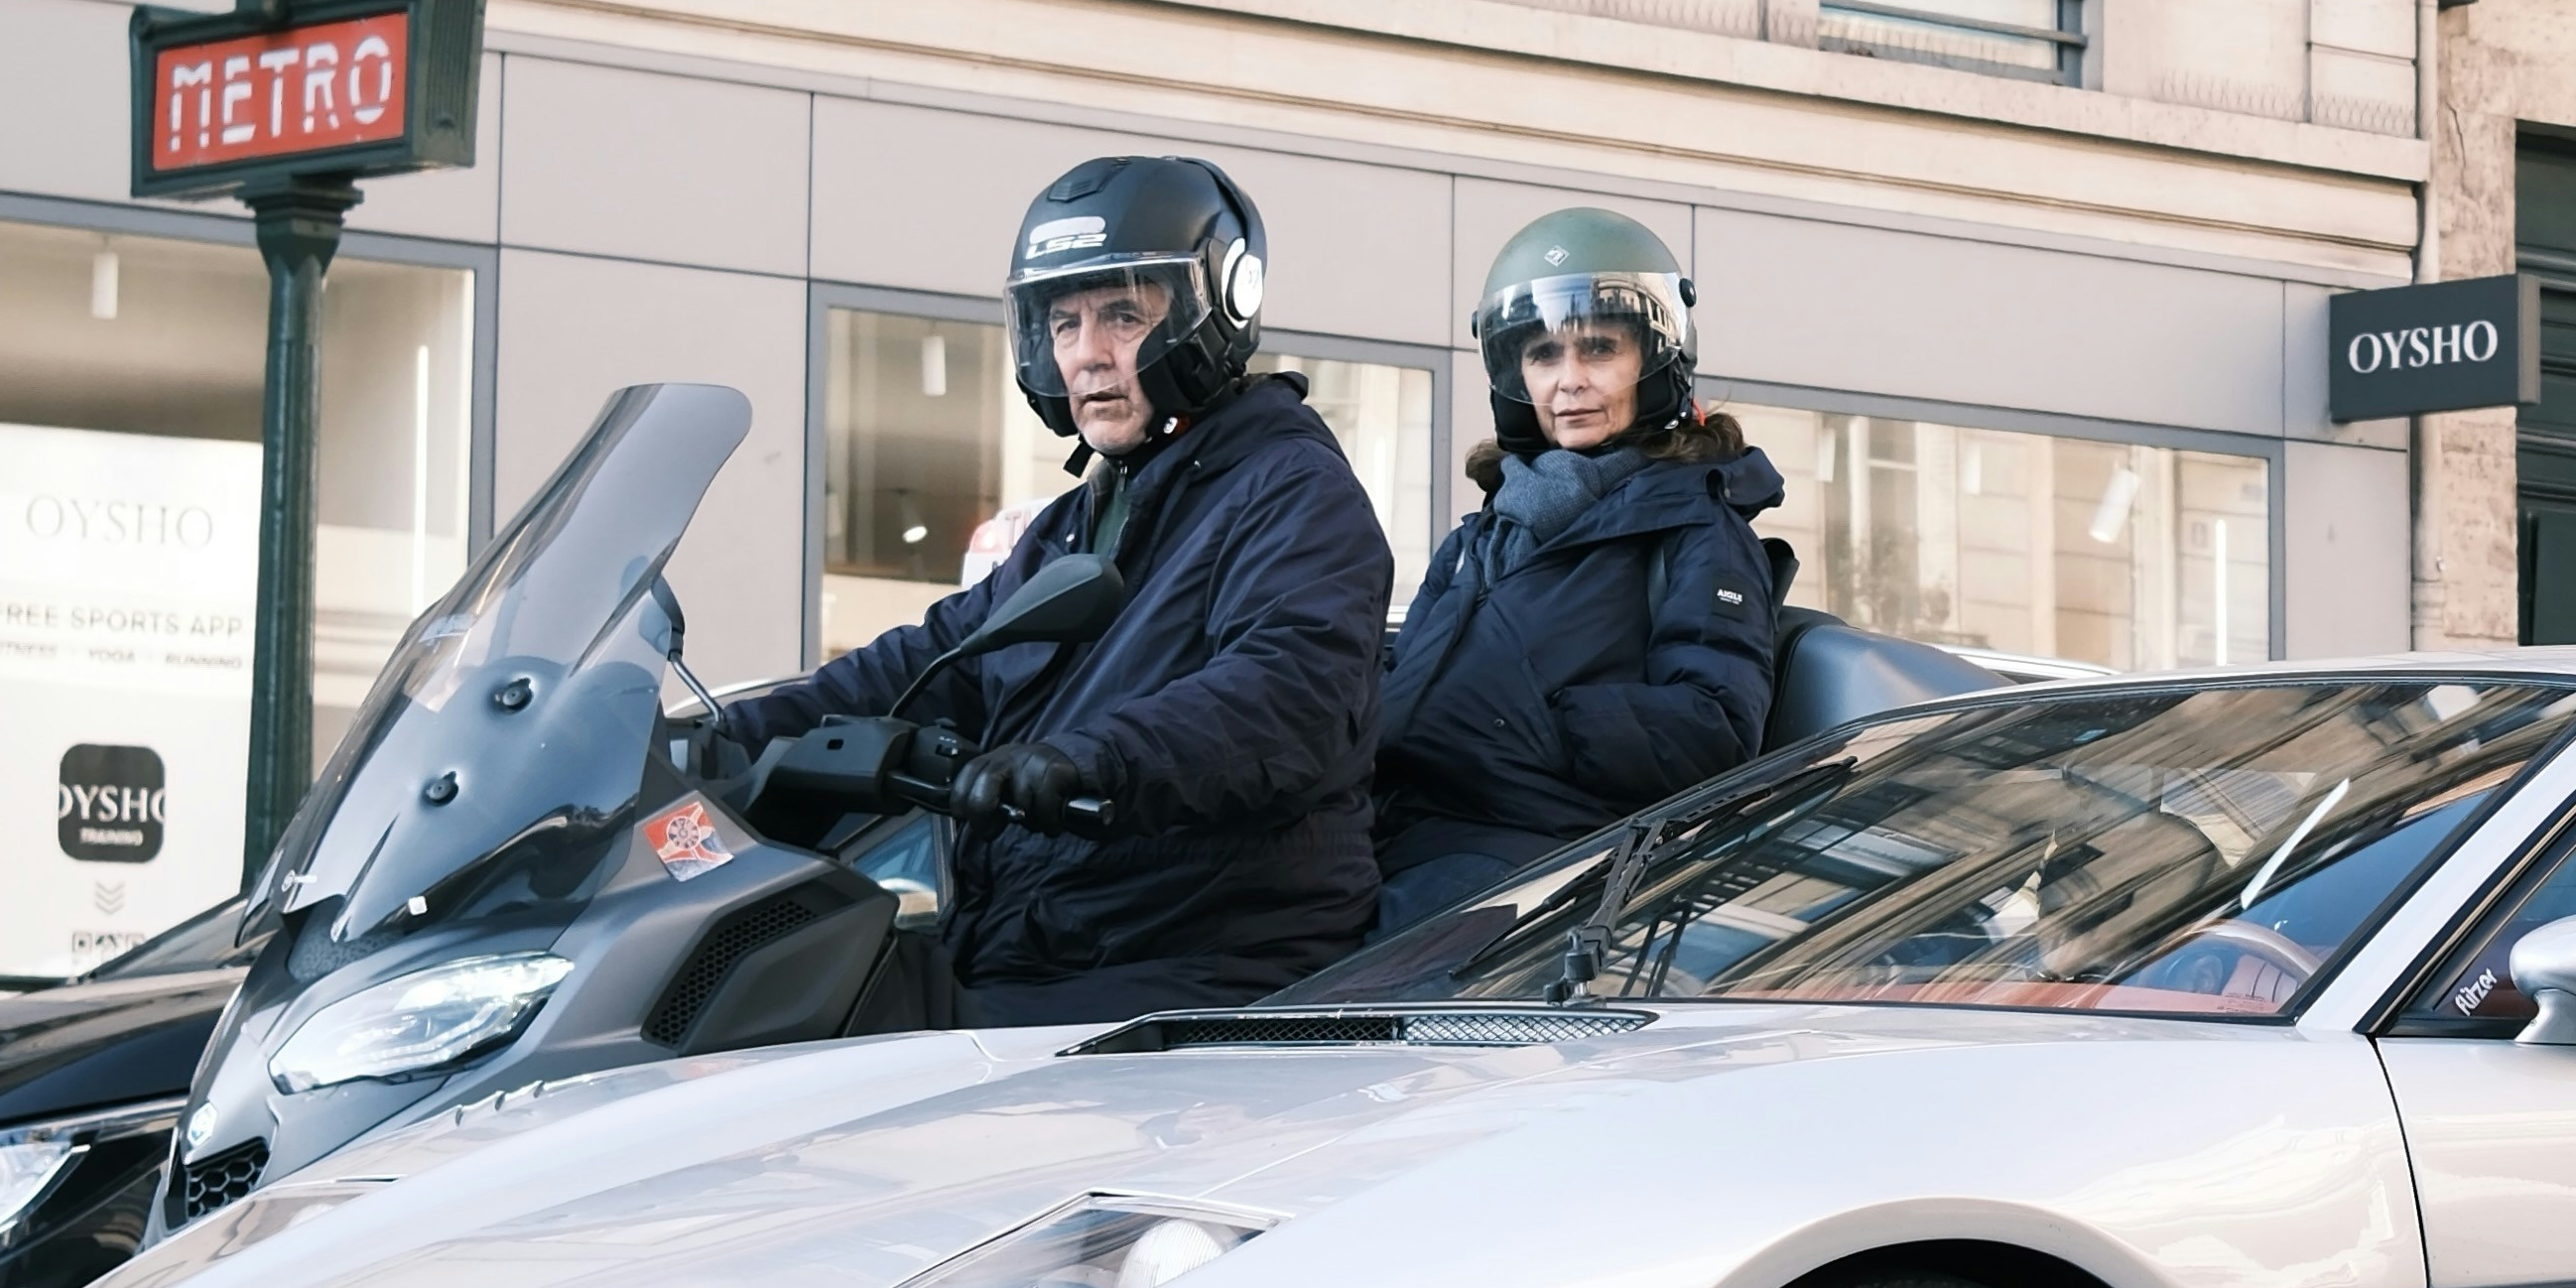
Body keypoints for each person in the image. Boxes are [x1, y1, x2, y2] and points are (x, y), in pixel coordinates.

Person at [711, 156, 1389, 1020]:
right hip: (1041, 942)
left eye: (1123, 315)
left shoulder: (1291, 488)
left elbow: (1290, 692)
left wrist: (1088, 757)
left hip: (1190, 967)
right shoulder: (1078, 519)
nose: (1087, 355)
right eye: (1062, 324)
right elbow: (931, 661)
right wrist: (718, 734)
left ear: (1213, 309)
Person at [1368, 203, 1791, 936]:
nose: (1568, 381)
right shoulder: (1485, 530)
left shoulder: (1699, 528)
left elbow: (1715, 729)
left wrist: (1526, 720)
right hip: (1396, 836)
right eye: (1541, 354)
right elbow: (1405, 675)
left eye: (1598, 350)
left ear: (1655, 359)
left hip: (1545, 863)